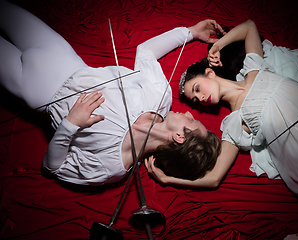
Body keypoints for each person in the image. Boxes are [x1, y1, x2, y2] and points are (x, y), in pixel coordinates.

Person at [145, 20, 298, 239]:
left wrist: (217, 46)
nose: (201, 97)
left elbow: (249, 27)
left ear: (209, 73)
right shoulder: (234, 121)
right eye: (196, 99)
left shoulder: (253, 70)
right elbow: (215, 177)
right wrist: (168, 179)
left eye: (197, 88)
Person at [0, 0, 222, 186]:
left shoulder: (113, 166)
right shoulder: (161, 97)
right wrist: (191, 32)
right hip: (62, 55)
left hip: (35, 90)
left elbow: (52, 168)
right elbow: (145, 52)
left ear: (179, 137)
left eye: (193, 122)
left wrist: (70, 124)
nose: (190, 114)